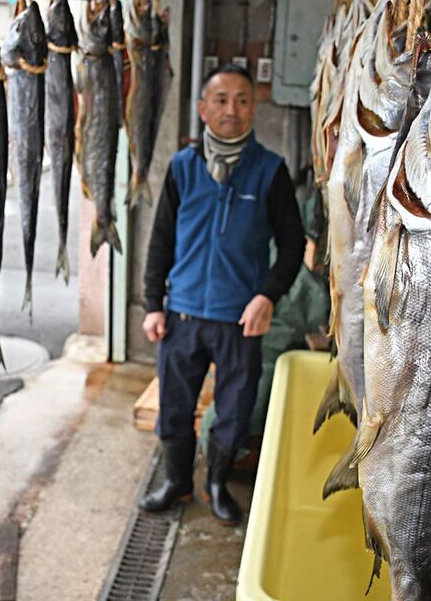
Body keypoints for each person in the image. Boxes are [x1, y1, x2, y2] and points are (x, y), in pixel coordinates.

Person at [140, 64, 305, 525]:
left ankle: (215, 484)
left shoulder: (270, 171)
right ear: (202, 109)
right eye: (221, 100)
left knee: (233, 411)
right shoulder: (182, 167)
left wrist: (268, 295)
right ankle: (176, 482)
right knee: (175, 407)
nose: (231, 109)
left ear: (254, 107)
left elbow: (292, 245)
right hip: (183, 317)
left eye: (242, 100)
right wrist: (153, 303)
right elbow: (160, 242)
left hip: (240, 319)